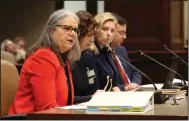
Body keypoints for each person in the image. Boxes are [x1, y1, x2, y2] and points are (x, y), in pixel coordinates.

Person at [9, 9, 81, 114]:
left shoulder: (63, 58)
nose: (73, 34)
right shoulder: (43, 57)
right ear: (51, 30)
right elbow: (47, 108)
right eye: (67, 28)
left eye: (75, 30)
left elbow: (66, 102)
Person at [72, 11, 102, 104]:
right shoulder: (65, 58)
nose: (92, 39)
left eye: (93, 35)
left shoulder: (88, 56)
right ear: (78, 34)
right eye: (89, 35)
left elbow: (94, 88)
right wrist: (91, 98)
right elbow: (64, 98)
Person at [90, 12, 121, 92]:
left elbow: (114, 82)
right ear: (96, 29)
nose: (109, 34)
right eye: (105, 29)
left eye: (112, 30)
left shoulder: (106, 50)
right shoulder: (89, 53)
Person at [111, 13, 141, 91]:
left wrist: (135, 83)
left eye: (125, 33)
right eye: (121, 33)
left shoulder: (121, 50)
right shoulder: (102, 54)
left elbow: (135, 71)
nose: (124, 37)